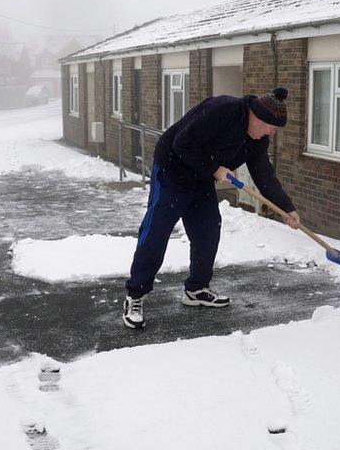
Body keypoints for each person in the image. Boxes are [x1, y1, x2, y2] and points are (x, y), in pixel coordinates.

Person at [122, 87, 301, 329]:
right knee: (156, 231)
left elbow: (265, 177)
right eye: (272, 127)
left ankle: (196, 289)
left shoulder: (258, 139)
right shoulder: (222, 109)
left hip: (201, 179)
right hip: (171, 171)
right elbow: (182, 142)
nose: (272, 133)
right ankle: (135, 295)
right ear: (258, 117)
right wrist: (216, 169)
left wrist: (287, 208)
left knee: (208, 231)